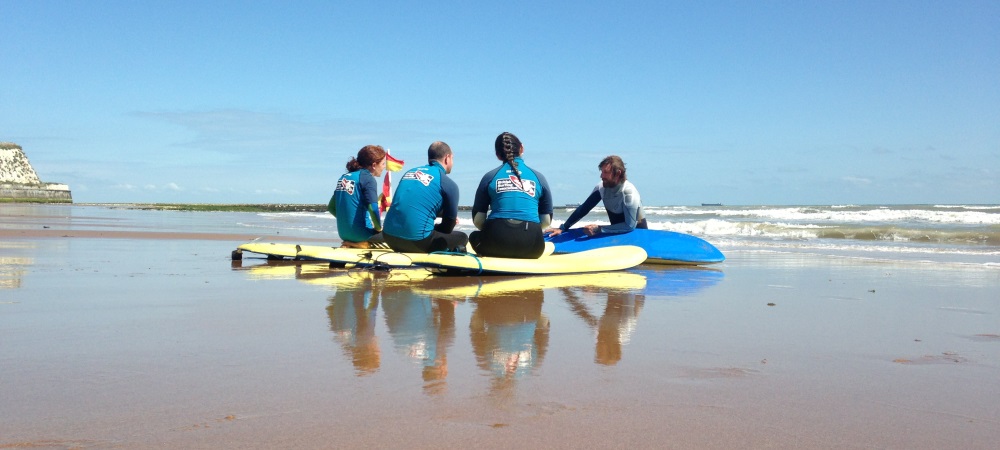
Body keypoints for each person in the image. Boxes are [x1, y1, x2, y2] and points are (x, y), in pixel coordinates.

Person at [469, 132, 553, 258]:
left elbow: (478, 220)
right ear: (522, 148)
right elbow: (546, 221)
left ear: (498, 155)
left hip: (494, 246)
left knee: (473, 236)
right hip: (533, 248)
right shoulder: (539, 178)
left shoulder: (490, 177)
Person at [382, 141, 468, 253]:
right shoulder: (448, 184)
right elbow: (448, 228)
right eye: (452, 158)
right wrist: (436, 226)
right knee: (462, 237)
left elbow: (412, 205)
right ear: (447, 158)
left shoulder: (409, 172)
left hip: (388, 237)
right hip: (417, 242)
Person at [545, 155, 647, 237]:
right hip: (617, 235)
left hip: (638, 236)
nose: (601, 176)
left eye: (606, 172)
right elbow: (584, 209)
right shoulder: (601, 188)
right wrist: (562, 228)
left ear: (618, 173)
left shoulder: (629, 193)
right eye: (601, 172)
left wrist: (599, 229)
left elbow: (629, 226)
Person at [329, 145, 387, 246]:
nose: (384, 167)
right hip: (363, 234)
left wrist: (348, 221)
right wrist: (378, 228)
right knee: (397, 238)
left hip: (343, 234)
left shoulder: (344, 177)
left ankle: (350, 244)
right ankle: (359, 244)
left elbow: (331, 207)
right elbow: (373, 208)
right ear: (374, 165)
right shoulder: (368, 179)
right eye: (383, 164)